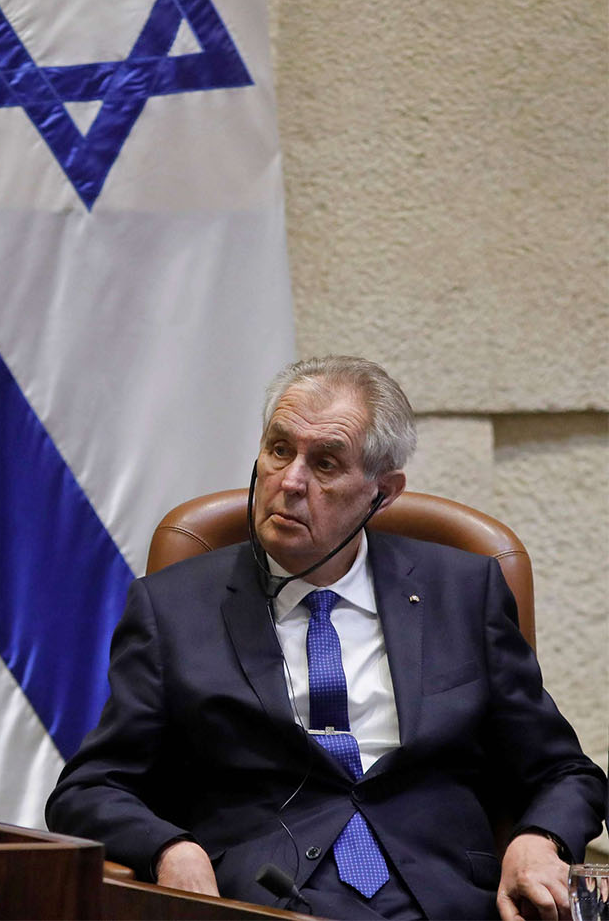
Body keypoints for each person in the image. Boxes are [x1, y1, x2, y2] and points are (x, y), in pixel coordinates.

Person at [46, 356, 606, 921]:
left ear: (382, 494)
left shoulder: (462, 593)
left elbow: (566, 772)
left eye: (326, 463)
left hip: (444, 901)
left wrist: (541, 840)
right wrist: (169, 848)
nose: (290, 481)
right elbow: (89, 789)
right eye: (279, 449)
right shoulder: (172, 606)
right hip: (264, 898)